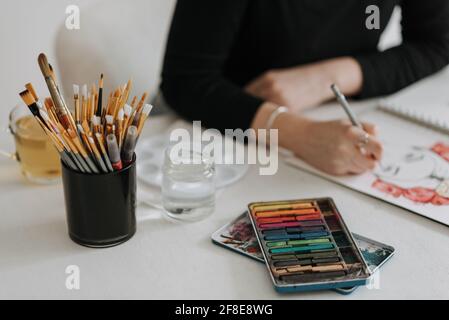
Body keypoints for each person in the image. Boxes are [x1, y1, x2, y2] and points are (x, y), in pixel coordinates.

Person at [160, 0, 449, 175]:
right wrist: (300, 134)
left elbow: (437, 43)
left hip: (332, 113)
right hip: (219, 135)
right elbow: (185, 81)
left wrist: (329, 78)